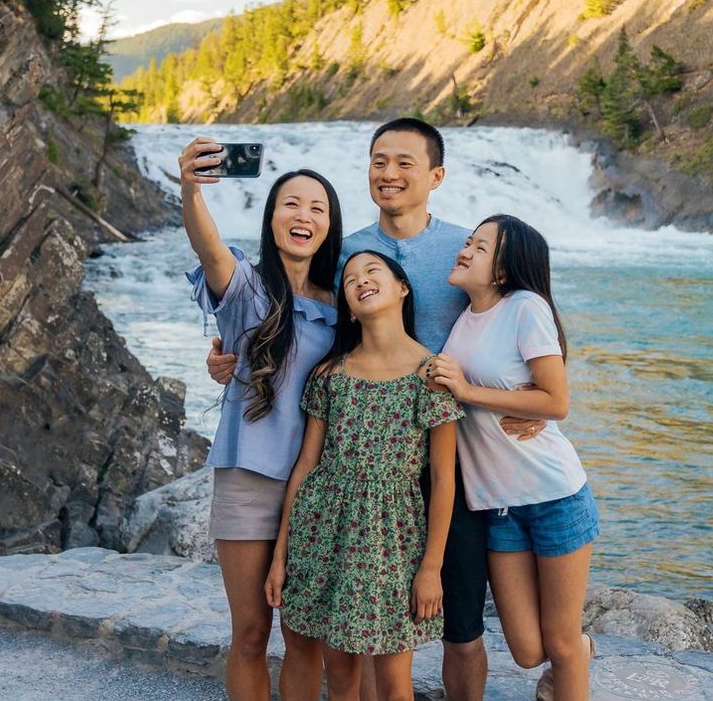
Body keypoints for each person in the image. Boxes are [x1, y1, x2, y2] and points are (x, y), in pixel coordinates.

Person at [206, 118, 543, 701]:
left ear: (436, 175)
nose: (389, 174)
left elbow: (527, 315)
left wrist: (536, 397)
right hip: (354, 459)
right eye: (378, 161)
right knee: (348, 639)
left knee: (460, 624)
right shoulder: (343, 253)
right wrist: (226, 353)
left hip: (452, 454)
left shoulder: (466, 248)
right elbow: (288, 312)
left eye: (404, 163)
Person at [178, 139, 340, 701]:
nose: (304, 216)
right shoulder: (246, 287)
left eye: (317, 208)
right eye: (291, 204)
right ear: (272, 219)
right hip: (248, 476)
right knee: (250, 633)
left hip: (318, 486)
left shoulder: (345, 303)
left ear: (329, 226)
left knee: (305, 637)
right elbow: (209, 248)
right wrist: (191, 189)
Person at [266, 250, 463, 701]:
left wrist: (431, 568)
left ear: (402, 289)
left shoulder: (430, 374)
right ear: (349, 309)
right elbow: (305, 468)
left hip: (391, 543)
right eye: (350, 279)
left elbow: (444, 480)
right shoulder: (330, 374)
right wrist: (281, 556)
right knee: (340, 676)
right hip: (322, 536)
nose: (360, 280)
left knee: (395, 682)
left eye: (372, 271)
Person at [428, 215, 597, 701]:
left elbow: (556, 403)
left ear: (503, 270)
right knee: (526, 650)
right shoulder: (463, 317)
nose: (465, 250)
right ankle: (582, 649)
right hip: (497, 505)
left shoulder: (525, 307)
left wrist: (469, 390)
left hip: (554, 496)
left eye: (480, 247)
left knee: (559, 643)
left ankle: (573, 655)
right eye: (468, 241)